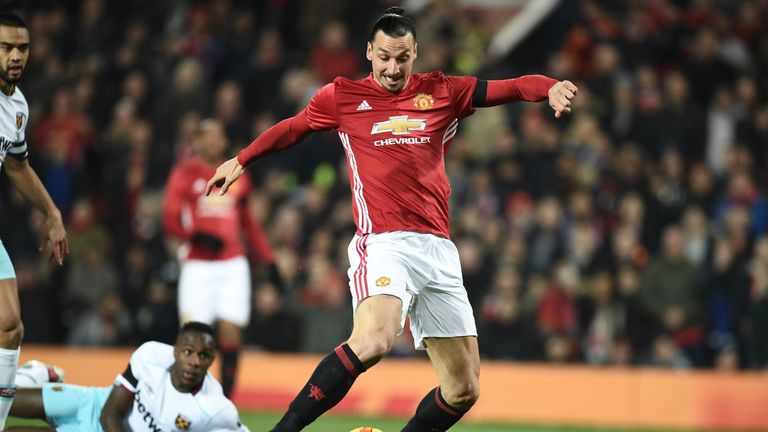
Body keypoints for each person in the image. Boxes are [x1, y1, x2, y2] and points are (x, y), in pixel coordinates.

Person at [206, 7, 577, 431]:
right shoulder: (342, 96)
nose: (392, 67)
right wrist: (242, 158)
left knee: (463, 388)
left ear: (414, 53)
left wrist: (549, 87)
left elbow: (509, 87)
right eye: (384, 57)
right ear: (369, 52)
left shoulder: (442, 91)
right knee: (375, 339)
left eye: (402, 58)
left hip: (437, 248)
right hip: (383, 242)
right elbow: (294, 128)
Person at [163, 118, 279, 398]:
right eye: (208, 136)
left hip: (232, 264)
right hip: (198, 265)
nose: (215, 141)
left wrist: (268, 259)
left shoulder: (238, 173)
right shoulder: (185, 174)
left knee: (231, 332)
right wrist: (194, 236)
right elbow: (169, 219)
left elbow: (248, 223)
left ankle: (226, 402)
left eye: (219, 135)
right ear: (198, 142)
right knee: (195, 336)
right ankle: (187, 398)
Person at [0, 12, 68, 430]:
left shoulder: (17, 106)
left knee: (9, 326)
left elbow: (17, 165)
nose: (15, 55)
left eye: (22, 47)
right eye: (5, 47)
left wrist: (52, 211)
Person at [7, 321, 249, 431]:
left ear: (212, 359)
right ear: (175, 351)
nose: (195, 361)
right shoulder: (151, 355)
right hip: (95, 404)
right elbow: (109, 412)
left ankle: (31, 377)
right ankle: (35, 376)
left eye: (204, 355)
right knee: (4, 402)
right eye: (188, 352)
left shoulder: (215, 408)